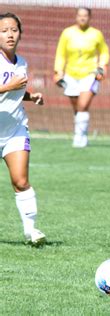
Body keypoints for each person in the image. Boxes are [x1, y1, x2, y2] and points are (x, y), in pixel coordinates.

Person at [0, 12, 46, 245]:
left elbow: (13, 92)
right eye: (4, 30)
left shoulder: (22, 62)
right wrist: (10, 86)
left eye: (14, 30)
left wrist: (29, 96)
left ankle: (31, 231)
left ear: (20, 34)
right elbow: (8, 87)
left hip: (15, 129)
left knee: (20, 181)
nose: (9, 34)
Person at [54, 7, 109, 148]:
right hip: (71, 75)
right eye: (80, 15)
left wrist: (102, 66)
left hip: (90, 74)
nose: (82, 18)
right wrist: (58, 71)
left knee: (83, 105)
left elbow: (104, 52)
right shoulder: (67, 33)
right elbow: (60, 53)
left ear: (90, 17)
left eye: (85, 16)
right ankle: (79, 132)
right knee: (77, 108)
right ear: (76, 17)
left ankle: (80, 137)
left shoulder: (96, 34)